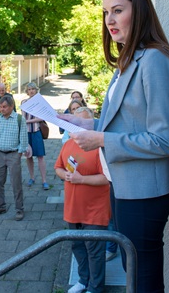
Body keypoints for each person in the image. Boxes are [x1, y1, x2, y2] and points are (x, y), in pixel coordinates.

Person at [59, 0, 169, 292]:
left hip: (146, 191)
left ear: (139, 12)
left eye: (118, 10)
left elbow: (165, 139)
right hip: (123, 185)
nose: (110, 20)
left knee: (142, 277)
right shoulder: (128, 61)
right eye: (106, 13)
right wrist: (90, 127)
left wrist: (103, 140)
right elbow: (127, 123)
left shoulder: (155, 59)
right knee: (133, 270)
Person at [55, 107, 110, 293]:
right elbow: (58, 167)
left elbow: (107, 179)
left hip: (95, 209)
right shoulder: (68, 144)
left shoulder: (99, 147)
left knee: (94, 251)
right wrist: (65, 175)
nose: (76, 129)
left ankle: (96, 287)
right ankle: (83, 280)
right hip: (73, 208)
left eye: (81, 124)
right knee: (78, 247)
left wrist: (81, 179)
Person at [0, 95, 28, 221]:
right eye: (0, 107)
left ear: (11, 107)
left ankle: (19, 209)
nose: (2, 109)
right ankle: (1, 206)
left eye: (4, 107)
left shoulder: (19, 119)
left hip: (13, 154)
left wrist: (19, 154)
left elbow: (23, 139)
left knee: (16, 182)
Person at [21, 82, 49, 190]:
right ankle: (32, 178)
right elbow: (23, 118)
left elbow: (40, 118)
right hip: (27, 133)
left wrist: (27, 121)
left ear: (36, 90)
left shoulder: (40, 102)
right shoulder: (24, 102)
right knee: (28, 156)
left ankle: (44, 180)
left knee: (40, 156)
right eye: (29, 89)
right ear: (27, 92)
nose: (31, 91)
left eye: (33, 89)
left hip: (37, 132)